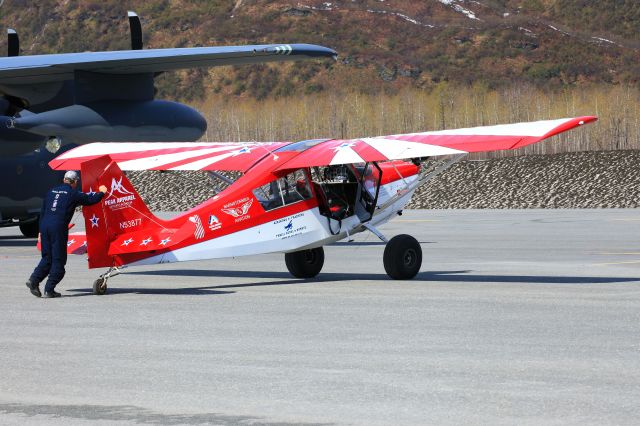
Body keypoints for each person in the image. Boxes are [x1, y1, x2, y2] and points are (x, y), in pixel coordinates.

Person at [26, 171, 107, 298]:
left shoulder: (50, 192)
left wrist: (40, 231)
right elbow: (91, 200)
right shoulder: (73, 193)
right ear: (75, 182)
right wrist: (102, 192)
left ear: (64, 179)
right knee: (59, 260)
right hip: (58, 228)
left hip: (45, 226)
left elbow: (42, 212)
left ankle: (34, 280)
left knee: (47, 257)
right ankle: (49, 289)